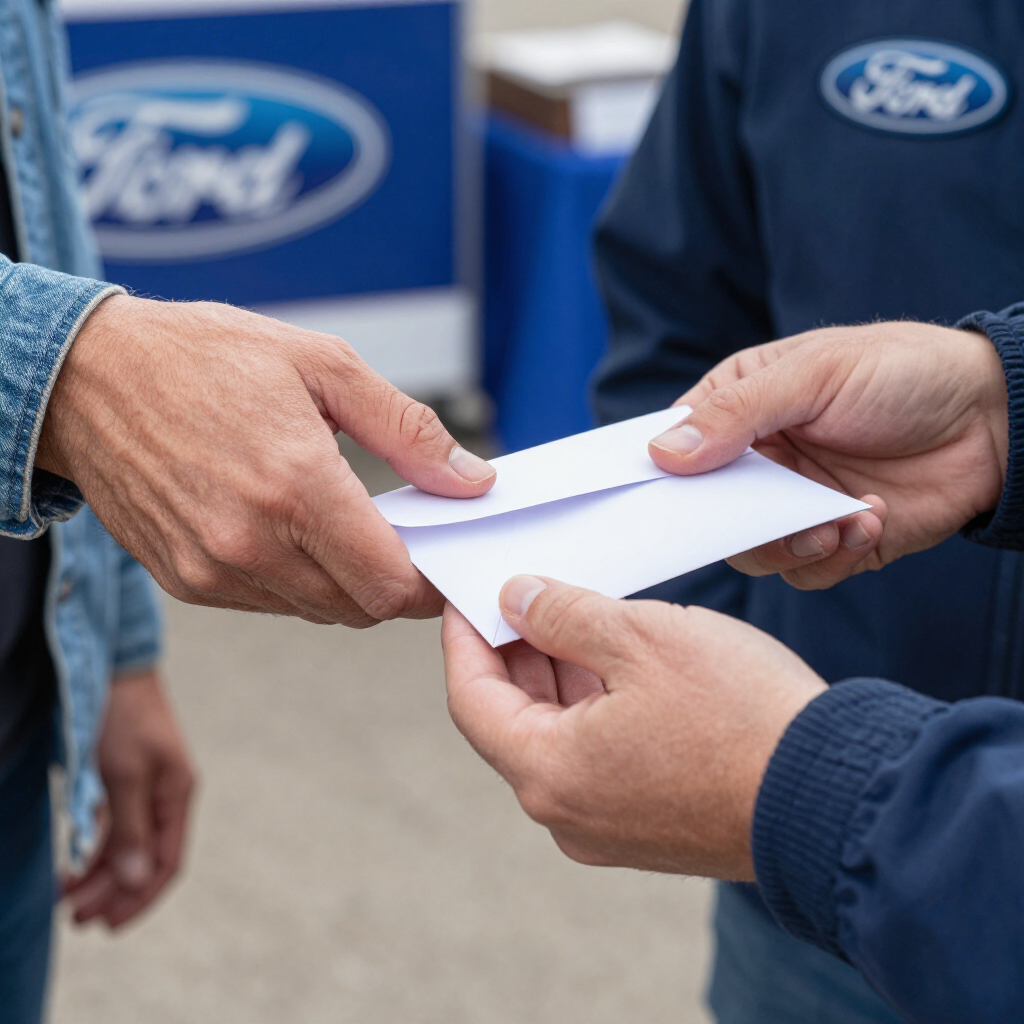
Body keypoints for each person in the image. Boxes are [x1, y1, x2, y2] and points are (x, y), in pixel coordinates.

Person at [587, 2, 1024, 1019]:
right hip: (809, 883)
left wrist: (821, 785)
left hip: (829, 800)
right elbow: (674, 319)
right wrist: (709, 641)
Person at [441, 309, 1024, 1024]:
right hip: (806, 897)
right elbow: (668, 311)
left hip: (840, 825)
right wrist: (997, 406)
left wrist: (804, 788)